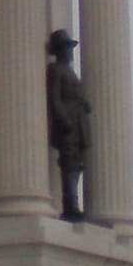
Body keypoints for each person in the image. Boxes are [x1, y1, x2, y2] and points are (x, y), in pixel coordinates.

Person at [46, 28, 91, 219]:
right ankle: (70, 204)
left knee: (77, 163)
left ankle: (74, 203)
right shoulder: (56, 70)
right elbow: (55, 98)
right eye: (66, 48)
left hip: (78, 123)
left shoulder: (69, 71)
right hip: (69, 124)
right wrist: (64, 120)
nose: (69, 52)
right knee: (69, 163)